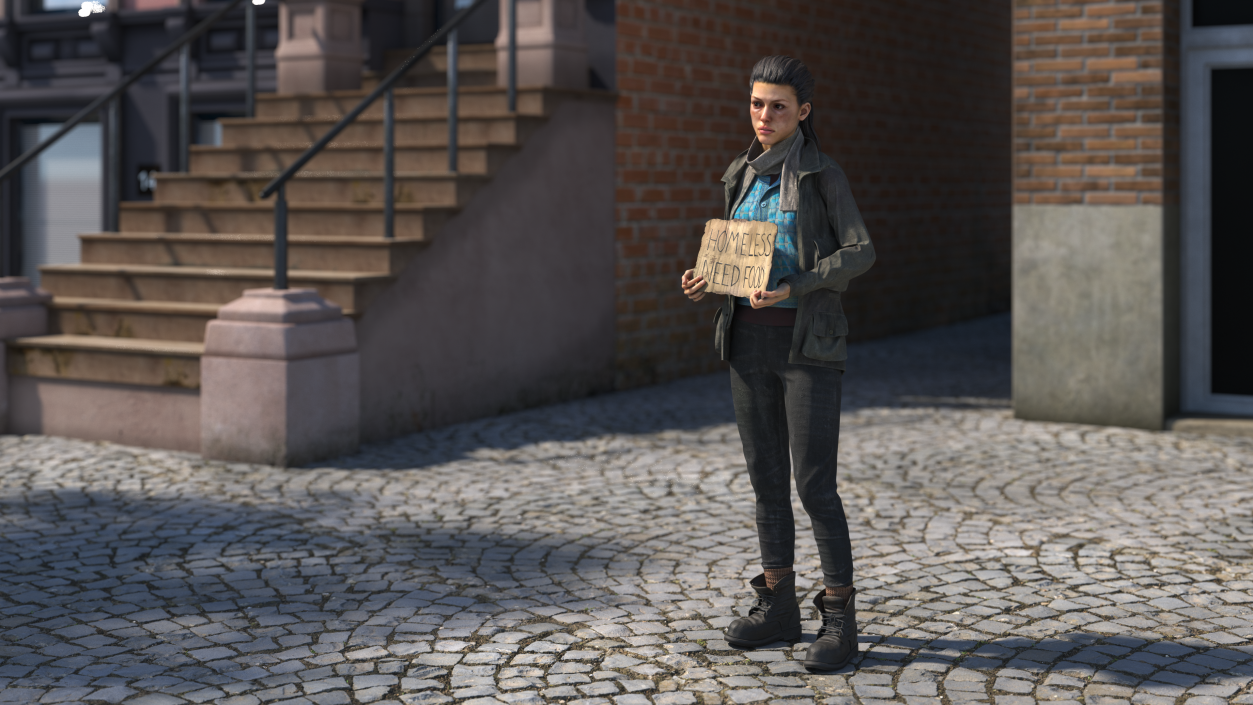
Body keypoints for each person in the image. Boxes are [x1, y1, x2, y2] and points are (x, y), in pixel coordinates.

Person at [680, 56, 875, 671]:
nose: (764, 116)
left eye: (779, 106)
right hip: (746, 341)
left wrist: (798, 286)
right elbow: (740, 252)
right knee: (765, 479)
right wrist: (705, 278)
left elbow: (861, 252)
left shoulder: (823, 175)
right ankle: (780, 607)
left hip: (807, 347)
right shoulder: (740, 173)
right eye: (757, 103)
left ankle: (839, 617)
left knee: (814, 484)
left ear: (804, 112)